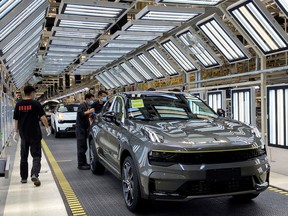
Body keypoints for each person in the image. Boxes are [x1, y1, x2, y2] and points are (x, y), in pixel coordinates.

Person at [13, 85, 51, 186]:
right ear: (32, 93)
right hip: (35, 134)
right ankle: (34, 174)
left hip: (23, 135)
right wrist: (47, 127)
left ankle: (24, 178)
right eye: (34, 93)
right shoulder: (35, 104)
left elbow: (16, 119)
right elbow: (43, 117)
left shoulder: (18, 105)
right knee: (36, 155)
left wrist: (15, 132)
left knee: (23, 156)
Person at [76, 93, 95, 170]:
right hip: (80, 129)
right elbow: (80, 114)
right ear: (87, 99)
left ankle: (84, 163)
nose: (92, 101)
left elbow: (86, 115)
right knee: (81, 147)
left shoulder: (86, 106)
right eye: (91, 99)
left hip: (84, 129)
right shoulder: (82, 105)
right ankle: (80, 164)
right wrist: (89, 111)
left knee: (84, 147)